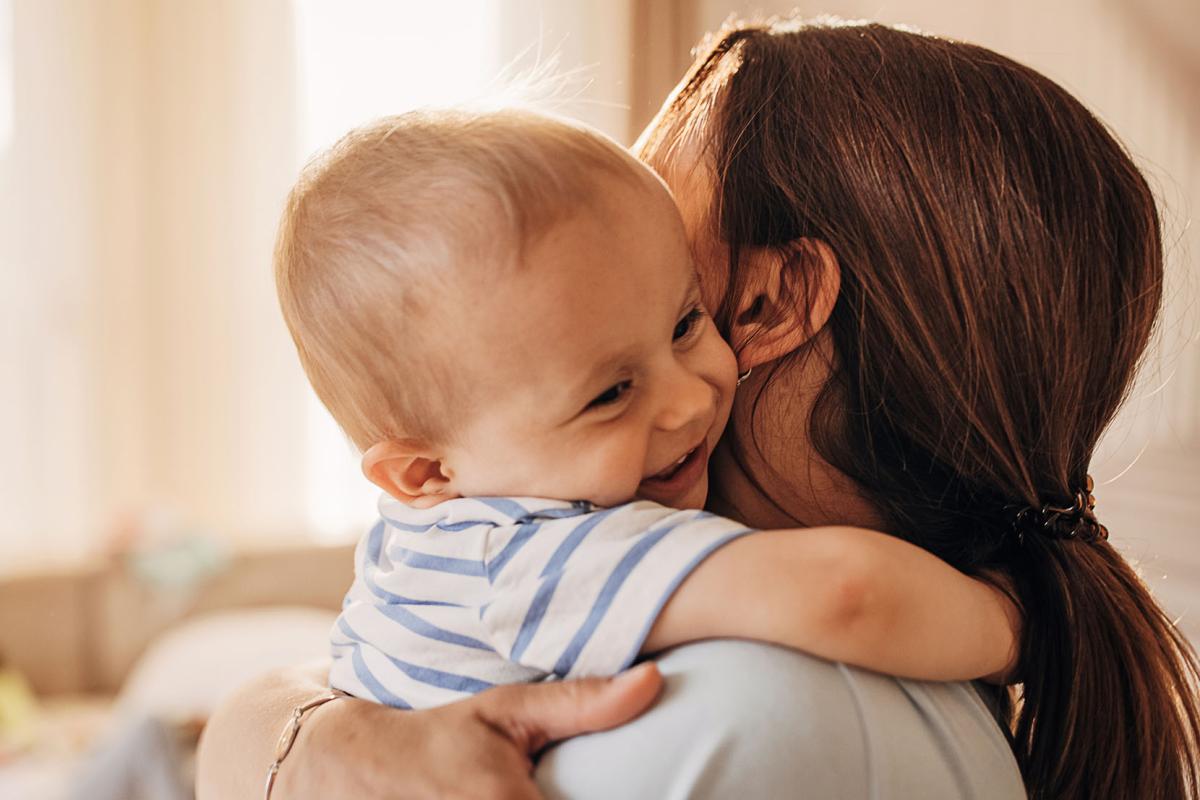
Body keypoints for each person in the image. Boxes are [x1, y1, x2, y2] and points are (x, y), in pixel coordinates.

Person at [197, 17, 1200, 800]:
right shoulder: (809, 659)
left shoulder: (754, 710)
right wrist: (303, 735)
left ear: (767, 302)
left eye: (675, 291)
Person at [273, 108, 1014, 712]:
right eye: (610, 394)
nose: (690, 398)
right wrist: (1018, 625)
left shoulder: (443, 529)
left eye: (686, 323)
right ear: (425, 470)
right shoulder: (527, 556)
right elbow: (845, 595)